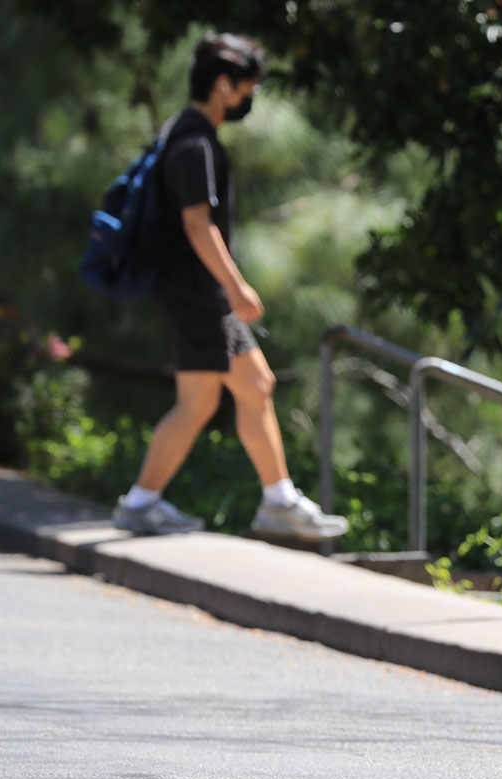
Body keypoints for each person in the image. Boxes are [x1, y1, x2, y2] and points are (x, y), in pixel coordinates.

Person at [111, 33, 347, 540]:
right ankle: (145, 502)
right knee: (200, 401)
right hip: (197, 293)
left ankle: (273, 499)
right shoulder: (195, 144)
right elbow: (199, 225)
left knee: (251, 387)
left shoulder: (181, 132)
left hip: (194, 292)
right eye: (247, 89)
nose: (249, 99)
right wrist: (236, 287)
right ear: (223, 86)